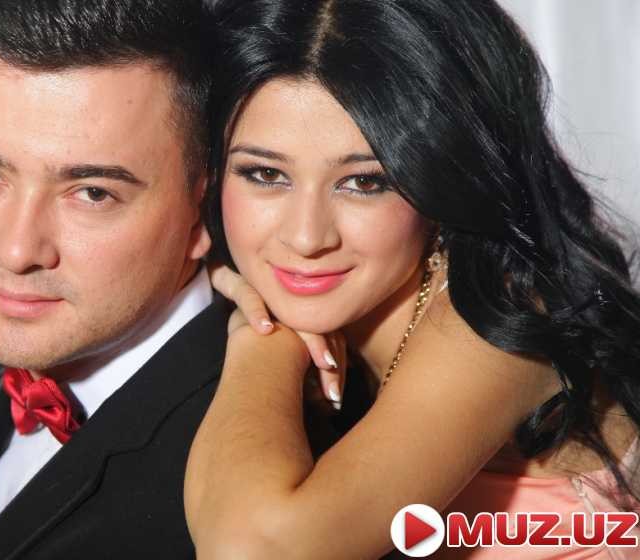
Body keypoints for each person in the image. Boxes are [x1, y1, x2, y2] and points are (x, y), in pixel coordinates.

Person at [185, 0, 640, 558]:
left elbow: (250, 551)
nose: (306, 238)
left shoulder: (498, 322)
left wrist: (260, 340)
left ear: (445, 179)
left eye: (364, 183)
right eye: (265, 174)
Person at [0, 1, 228, 558]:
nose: (18, 251)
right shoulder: (30, 351)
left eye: (92, 193)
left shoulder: (248, 478)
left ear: (204, 211)